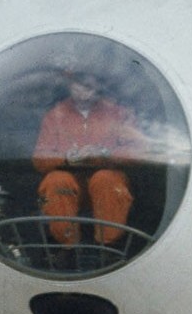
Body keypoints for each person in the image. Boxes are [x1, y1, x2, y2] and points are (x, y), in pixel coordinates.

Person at [32, 69, 144, 250]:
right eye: (78, 84)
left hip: (106, 183)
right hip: (69, 183)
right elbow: (39, 158)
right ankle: (66, 248)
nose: (83, 91)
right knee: (56, 181)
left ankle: (109, 247)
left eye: (89, 86)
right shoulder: (55, 115)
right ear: (70, 85)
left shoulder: (118, 113)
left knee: (105, 179)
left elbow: (136, 151)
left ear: (99, 86)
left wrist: (105, 154)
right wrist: (67, 158)